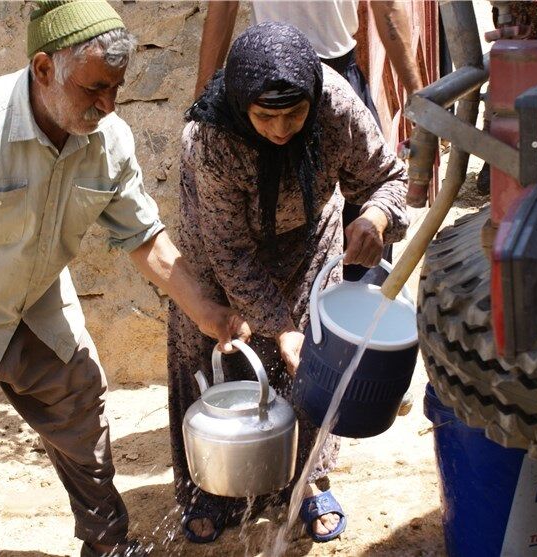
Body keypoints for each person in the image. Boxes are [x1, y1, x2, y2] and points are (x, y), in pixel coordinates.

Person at [0, 1, 249, 556]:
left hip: (37, 309)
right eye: (93, 88)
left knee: (85, 425)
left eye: (116, 88)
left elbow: (145, 239)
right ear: (44, 68)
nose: (107, 104)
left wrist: (211, 315)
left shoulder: (108, 141)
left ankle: (108, 547)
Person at [168, 22, 409, 545]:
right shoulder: (212, 138)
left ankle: (308, 480)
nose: (281, 129)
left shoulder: (335, 106)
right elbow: (230, 251)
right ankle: (209, 488)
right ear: (240, 105)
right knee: (210, 353)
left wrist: (375, 219)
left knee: (310, 363)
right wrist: (277, 326)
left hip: (307, 239)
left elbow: (389, 178)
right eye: (266, 117)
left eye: (294, 114)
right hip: (216, 248)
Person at [194, 0, 422, 282]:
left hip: (337, 71)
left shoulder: (339, 101)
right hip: (267, 80)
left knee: (365, 234)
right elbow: (224, 7)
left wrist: (418, 97)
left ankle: (356, 316)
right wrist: (203, 106)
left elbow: (386, 5)